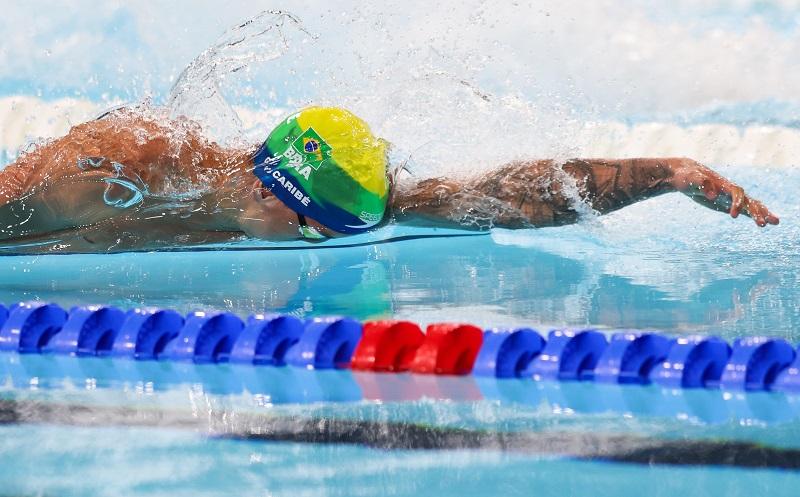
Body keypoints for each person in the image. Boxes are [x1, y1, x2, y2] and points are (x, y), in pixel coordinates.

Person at [0, 106, 779, 252]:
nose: (317, 241)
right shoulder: (113, 174)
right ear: (271, 191)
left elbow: (507, 195)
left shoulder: (311, 194)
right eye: (317, 228)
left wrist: (667, 173)